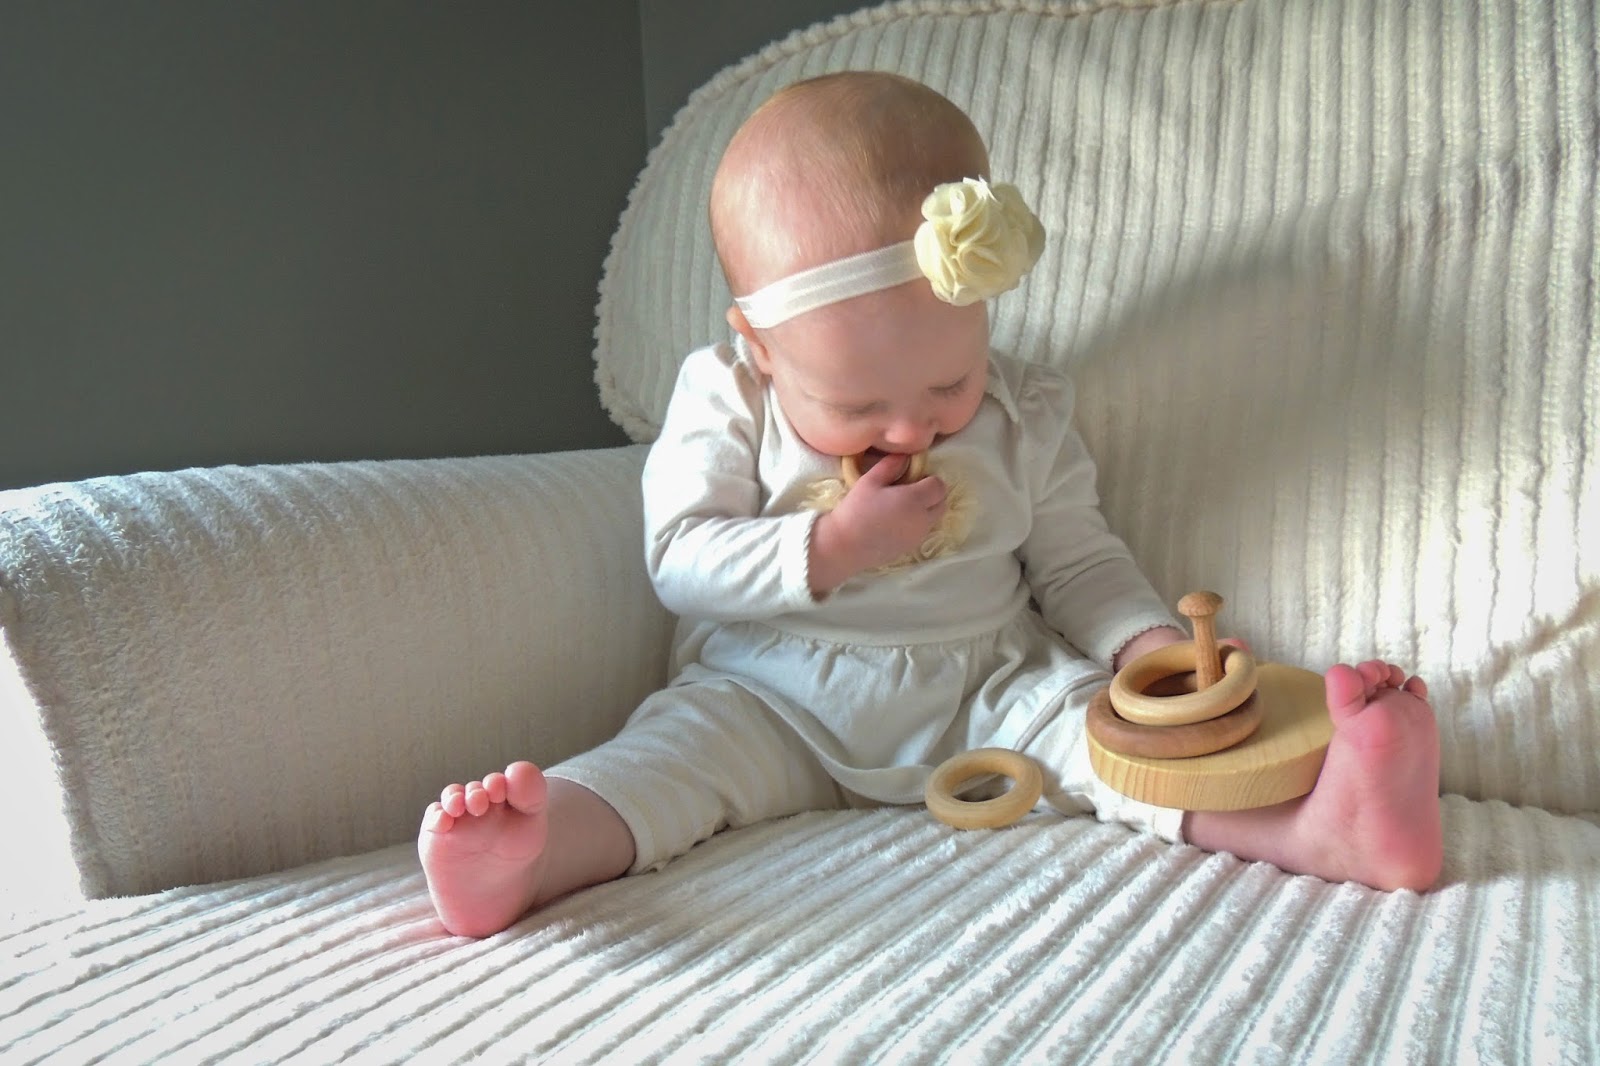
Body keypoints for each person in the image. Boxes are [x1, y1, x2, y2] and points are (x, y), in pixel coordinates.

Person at [418, 72, 1444, 938]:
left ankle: (1323, 829)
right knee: (667, 763)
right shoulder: (727, 398)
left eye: (950, 383)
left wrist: (1147, 649)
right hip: (772, 693)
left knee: (1116, 746)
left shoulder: (1023, 411)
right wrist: (827, 546)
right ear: (759, 346)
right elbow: (679, 560)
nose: (912, 428)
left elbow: (1078, 561)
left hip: (989, 685)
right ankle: (531, 856)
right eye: (856, 407)